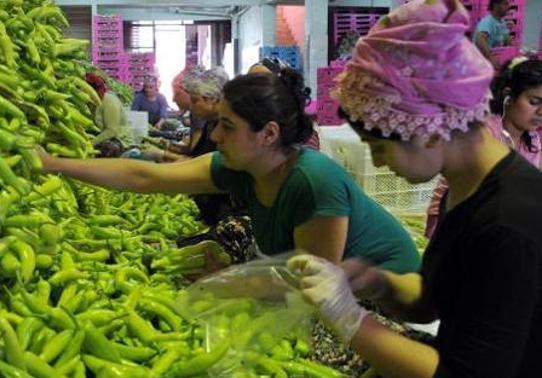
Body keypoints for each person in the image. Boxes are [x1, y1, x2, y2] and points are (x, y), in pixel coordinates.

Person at [291, 1, 542, 378]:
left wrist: (349, 320)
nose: (380, 162)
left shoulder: (509, 221)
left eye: (380, 148)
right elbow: (434, 300)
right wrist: (376, 282)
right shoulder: (465, 190)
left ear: (426, 131)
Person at [36, 68, 420, 274]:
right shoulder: (244, 166)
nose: (215, 135)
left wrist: (227, 285)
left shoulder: (311, 180)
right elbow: (146, 177)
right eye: (217, 122)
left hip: (383, 299)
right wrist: (54, 165)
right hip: (328, 287)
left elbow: (317, 282)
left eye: (228, 126)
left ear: (268, 134)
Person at [424, 57, 542, 237]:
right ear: (508, 96)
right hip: (457, 224)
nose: (541, 112)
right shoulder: (483, 135)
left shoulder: (533, 141)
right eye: (534, 102)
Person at [247, 57, 321, 151]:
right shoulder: (244, 127)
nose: (250, 92)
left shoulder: (304, 137)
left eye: (261, 85)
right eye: (247, 84)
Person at [84, 73, 131, 147]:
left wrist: (90, 144)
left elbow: (111, 131)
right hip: (102, 137)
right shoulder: (90, 103)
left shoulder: (109, 101)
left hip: (119, 141)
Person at [473, 0, 511, 68]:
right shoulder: (487, 22)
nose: (508, 7)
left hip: (497, 59)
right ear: (495, 5)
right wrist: (490, 57)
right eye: (505, 4)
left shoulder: (502, 22)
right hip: (483, 63)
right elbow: (479, 40)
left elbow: (507, 40)